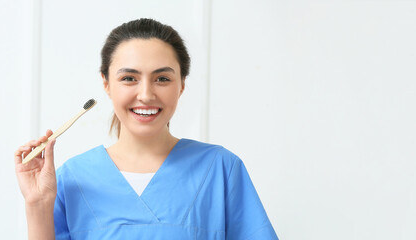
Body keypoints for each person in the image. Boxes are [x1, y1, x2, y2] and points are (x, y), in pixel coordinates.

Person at [14, 18, 278, 240]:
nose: (146, 94)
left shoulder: (221, 169)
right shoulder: (71, 178)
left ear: (182, 85)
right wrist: (37, 205)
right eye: (129, 78)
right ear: (106, 84)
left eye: (162, 78)